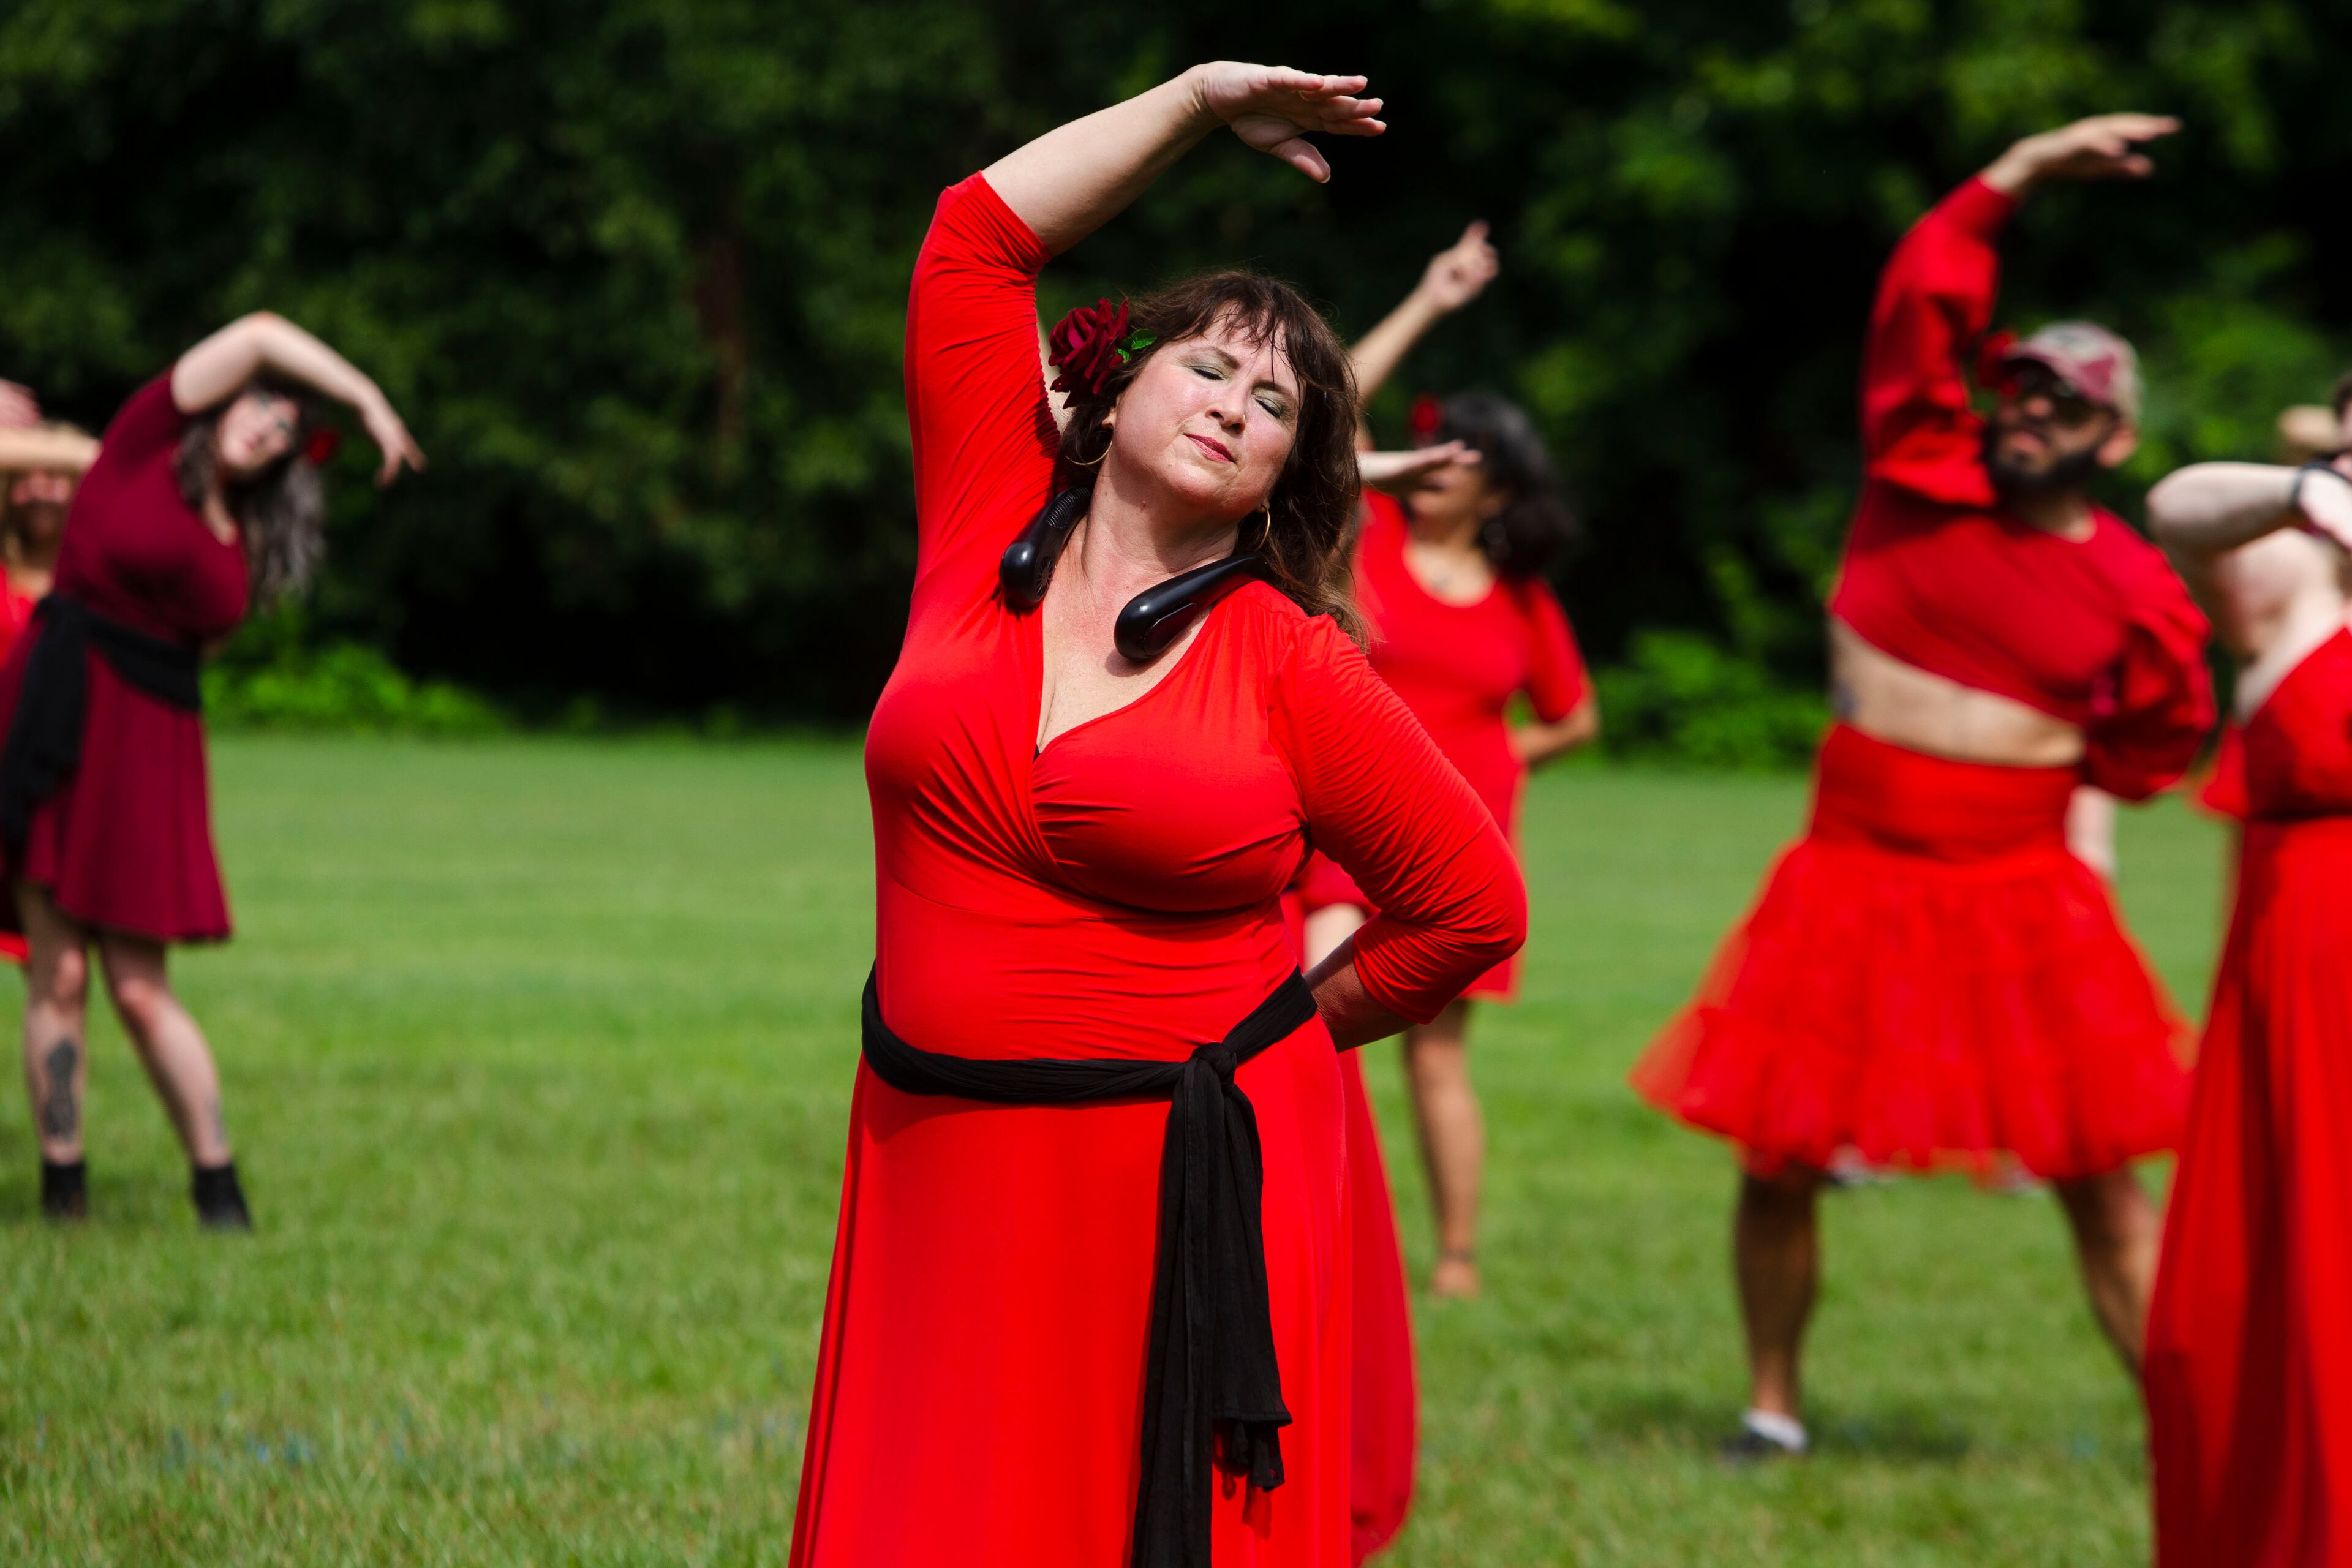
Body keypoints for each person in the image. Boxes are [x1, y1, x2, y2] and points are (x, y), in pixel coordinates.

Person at [790, 64, 1529, 1567]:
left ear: (1279, 480)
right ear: (1115, 383)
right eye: (1210, 368)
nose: (1237, 407)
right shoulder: (981, 519)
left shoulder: (1292, 659)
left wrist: (1282, 1039)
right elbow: (974, 237)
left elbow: (1471, 905)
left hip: (1173, 1173)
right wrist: (1195, 105)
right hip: (935, 1145)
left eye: (1276, 408)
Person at [1629, 114, 2215, 1460]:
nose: (2028, 413)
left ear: (2113, 438)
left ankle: (2185, 1427)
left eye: (2061, 405)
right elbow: (1920, 296)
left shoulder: (2138, 586)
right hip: (1846, 877)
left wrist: (2046, 776)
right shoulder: (1916, 470)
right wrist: (2008, 179)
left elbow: (2164, 734)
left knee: (2097, 1179)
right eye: (2019, 390)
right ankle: (1771, 1408)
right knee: (1776, 1157)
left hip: (2020, 891)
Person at [1, 315, 424, 1225]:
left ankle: (218, 1184)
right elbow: (263, 331)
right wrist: (367, 398)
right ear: (226, 401)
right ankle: (63, 1189)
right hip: (61, 717)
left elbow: (205, 642)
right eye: (263, 406)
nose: (267, 426)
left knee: (142, 988)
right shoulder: (141, 443)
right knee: (60, 974)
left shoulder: (237, 539)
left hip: (153, 751)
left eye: (283, 432)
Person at [1301, 224, 1596, 1300]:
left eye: (1463, 461)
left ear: (1501, 494)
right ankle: (1306, 1221)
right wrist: (1432, 297)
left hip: (1448, 842)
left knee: (1435, 1056)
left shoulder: (1525, 603)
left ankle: (1456, 1261)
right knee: (1312, 1023)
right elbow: (1329, 403)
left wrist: (1498, 755)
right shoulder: (1361, 532)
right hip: (1338, 823)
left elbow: (1577, 718)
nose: (1434, 468)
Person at [2140, 405, 2352, 1564]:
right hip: (2313, 963)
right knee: (2296, 1270)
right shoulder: (2292, 583)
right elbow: (2175, 508)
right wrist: (2302, 490)